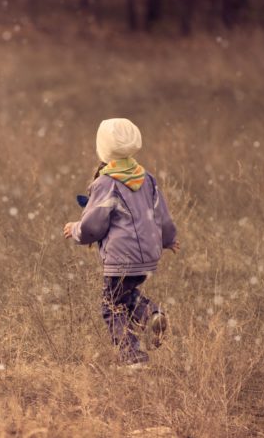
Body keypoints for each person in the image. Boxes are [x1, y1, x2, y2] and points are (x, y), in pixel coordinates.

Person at [63, 118, 180, 366]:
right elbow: (163, 216)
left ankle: (133, 357)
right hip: (147, 256)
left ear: (102, 147)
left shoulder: (106, 183)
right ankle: (152, 314)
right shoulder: (147, 179)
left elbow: (93, 226)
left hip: (121, 257)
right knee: (125, 297)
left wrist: (75, 230)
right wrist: (168, 239)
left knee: (111, 307)